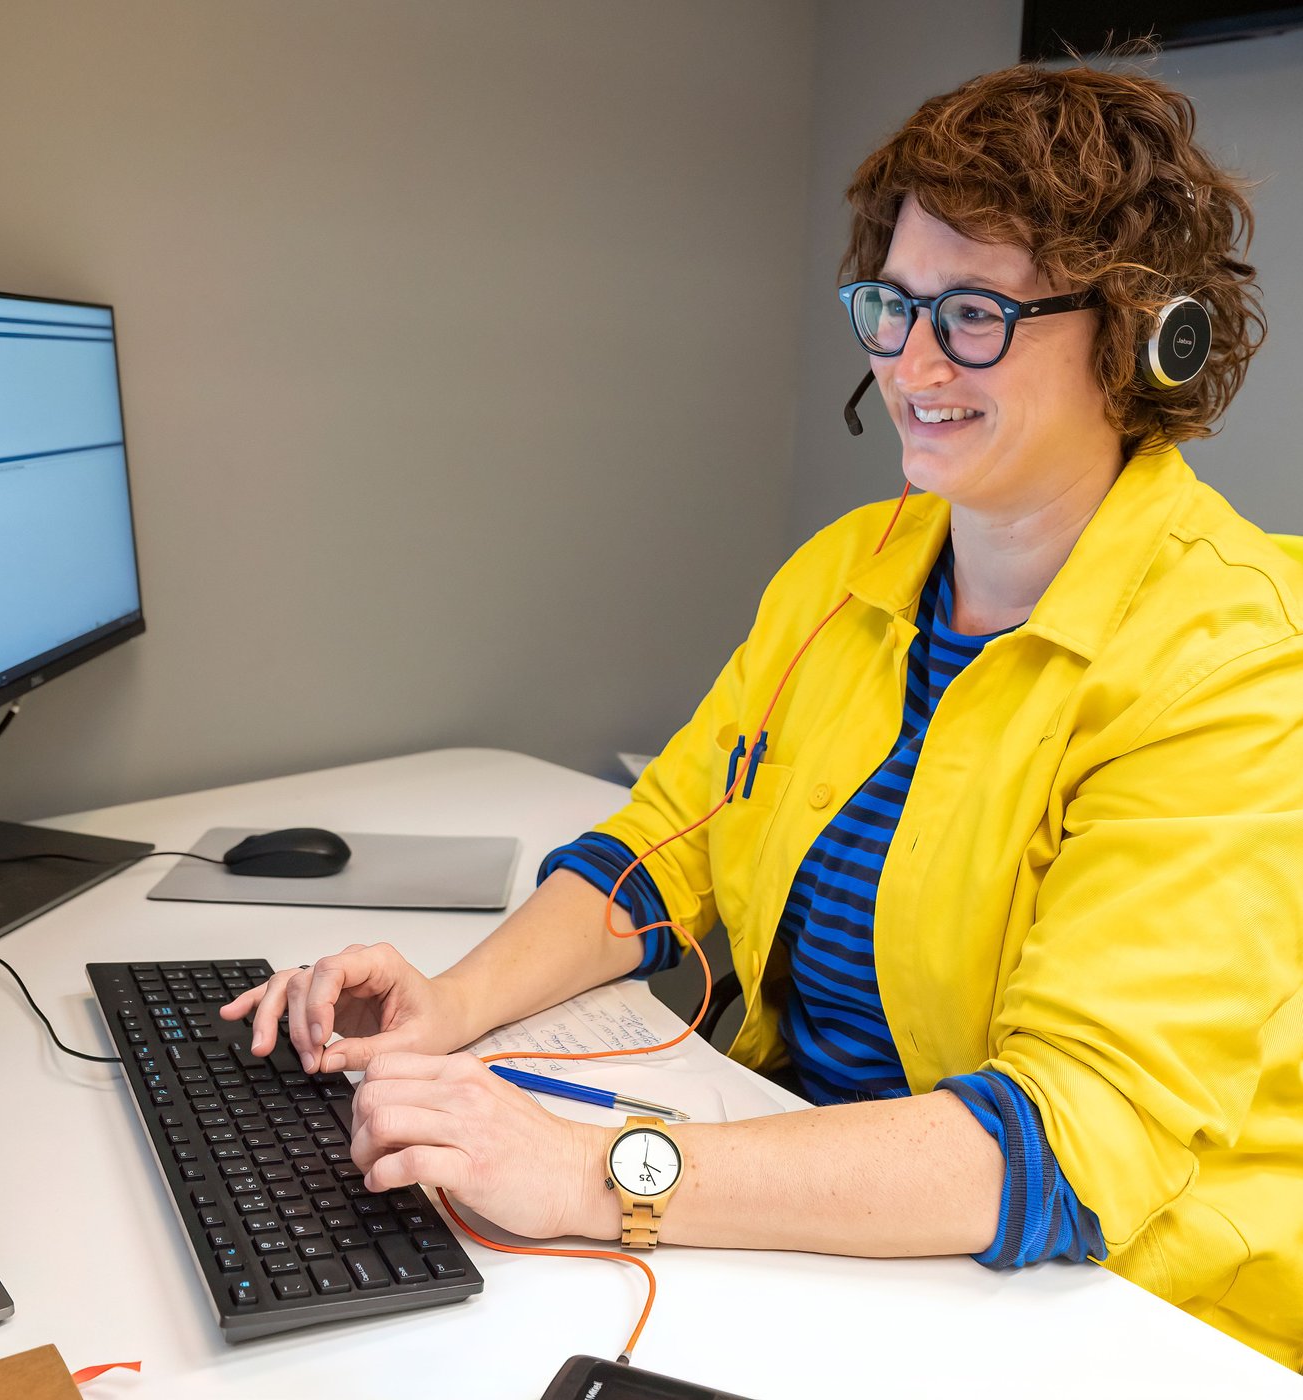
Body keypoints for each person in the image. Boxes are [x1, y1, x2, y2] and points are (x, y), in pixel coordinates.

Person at [224, 61, 1303, 1370]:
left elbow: (1066, 1146)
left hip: (1116, 1308)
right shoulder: (851, 569)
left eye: (972, 315)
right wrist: (448, 1008)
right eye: (891, 305)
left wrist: (604, 1172)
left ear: (1142, 335)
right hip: (836, 1226)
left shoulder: (1232, 658)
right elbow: (669, 840)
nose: (911, 361)